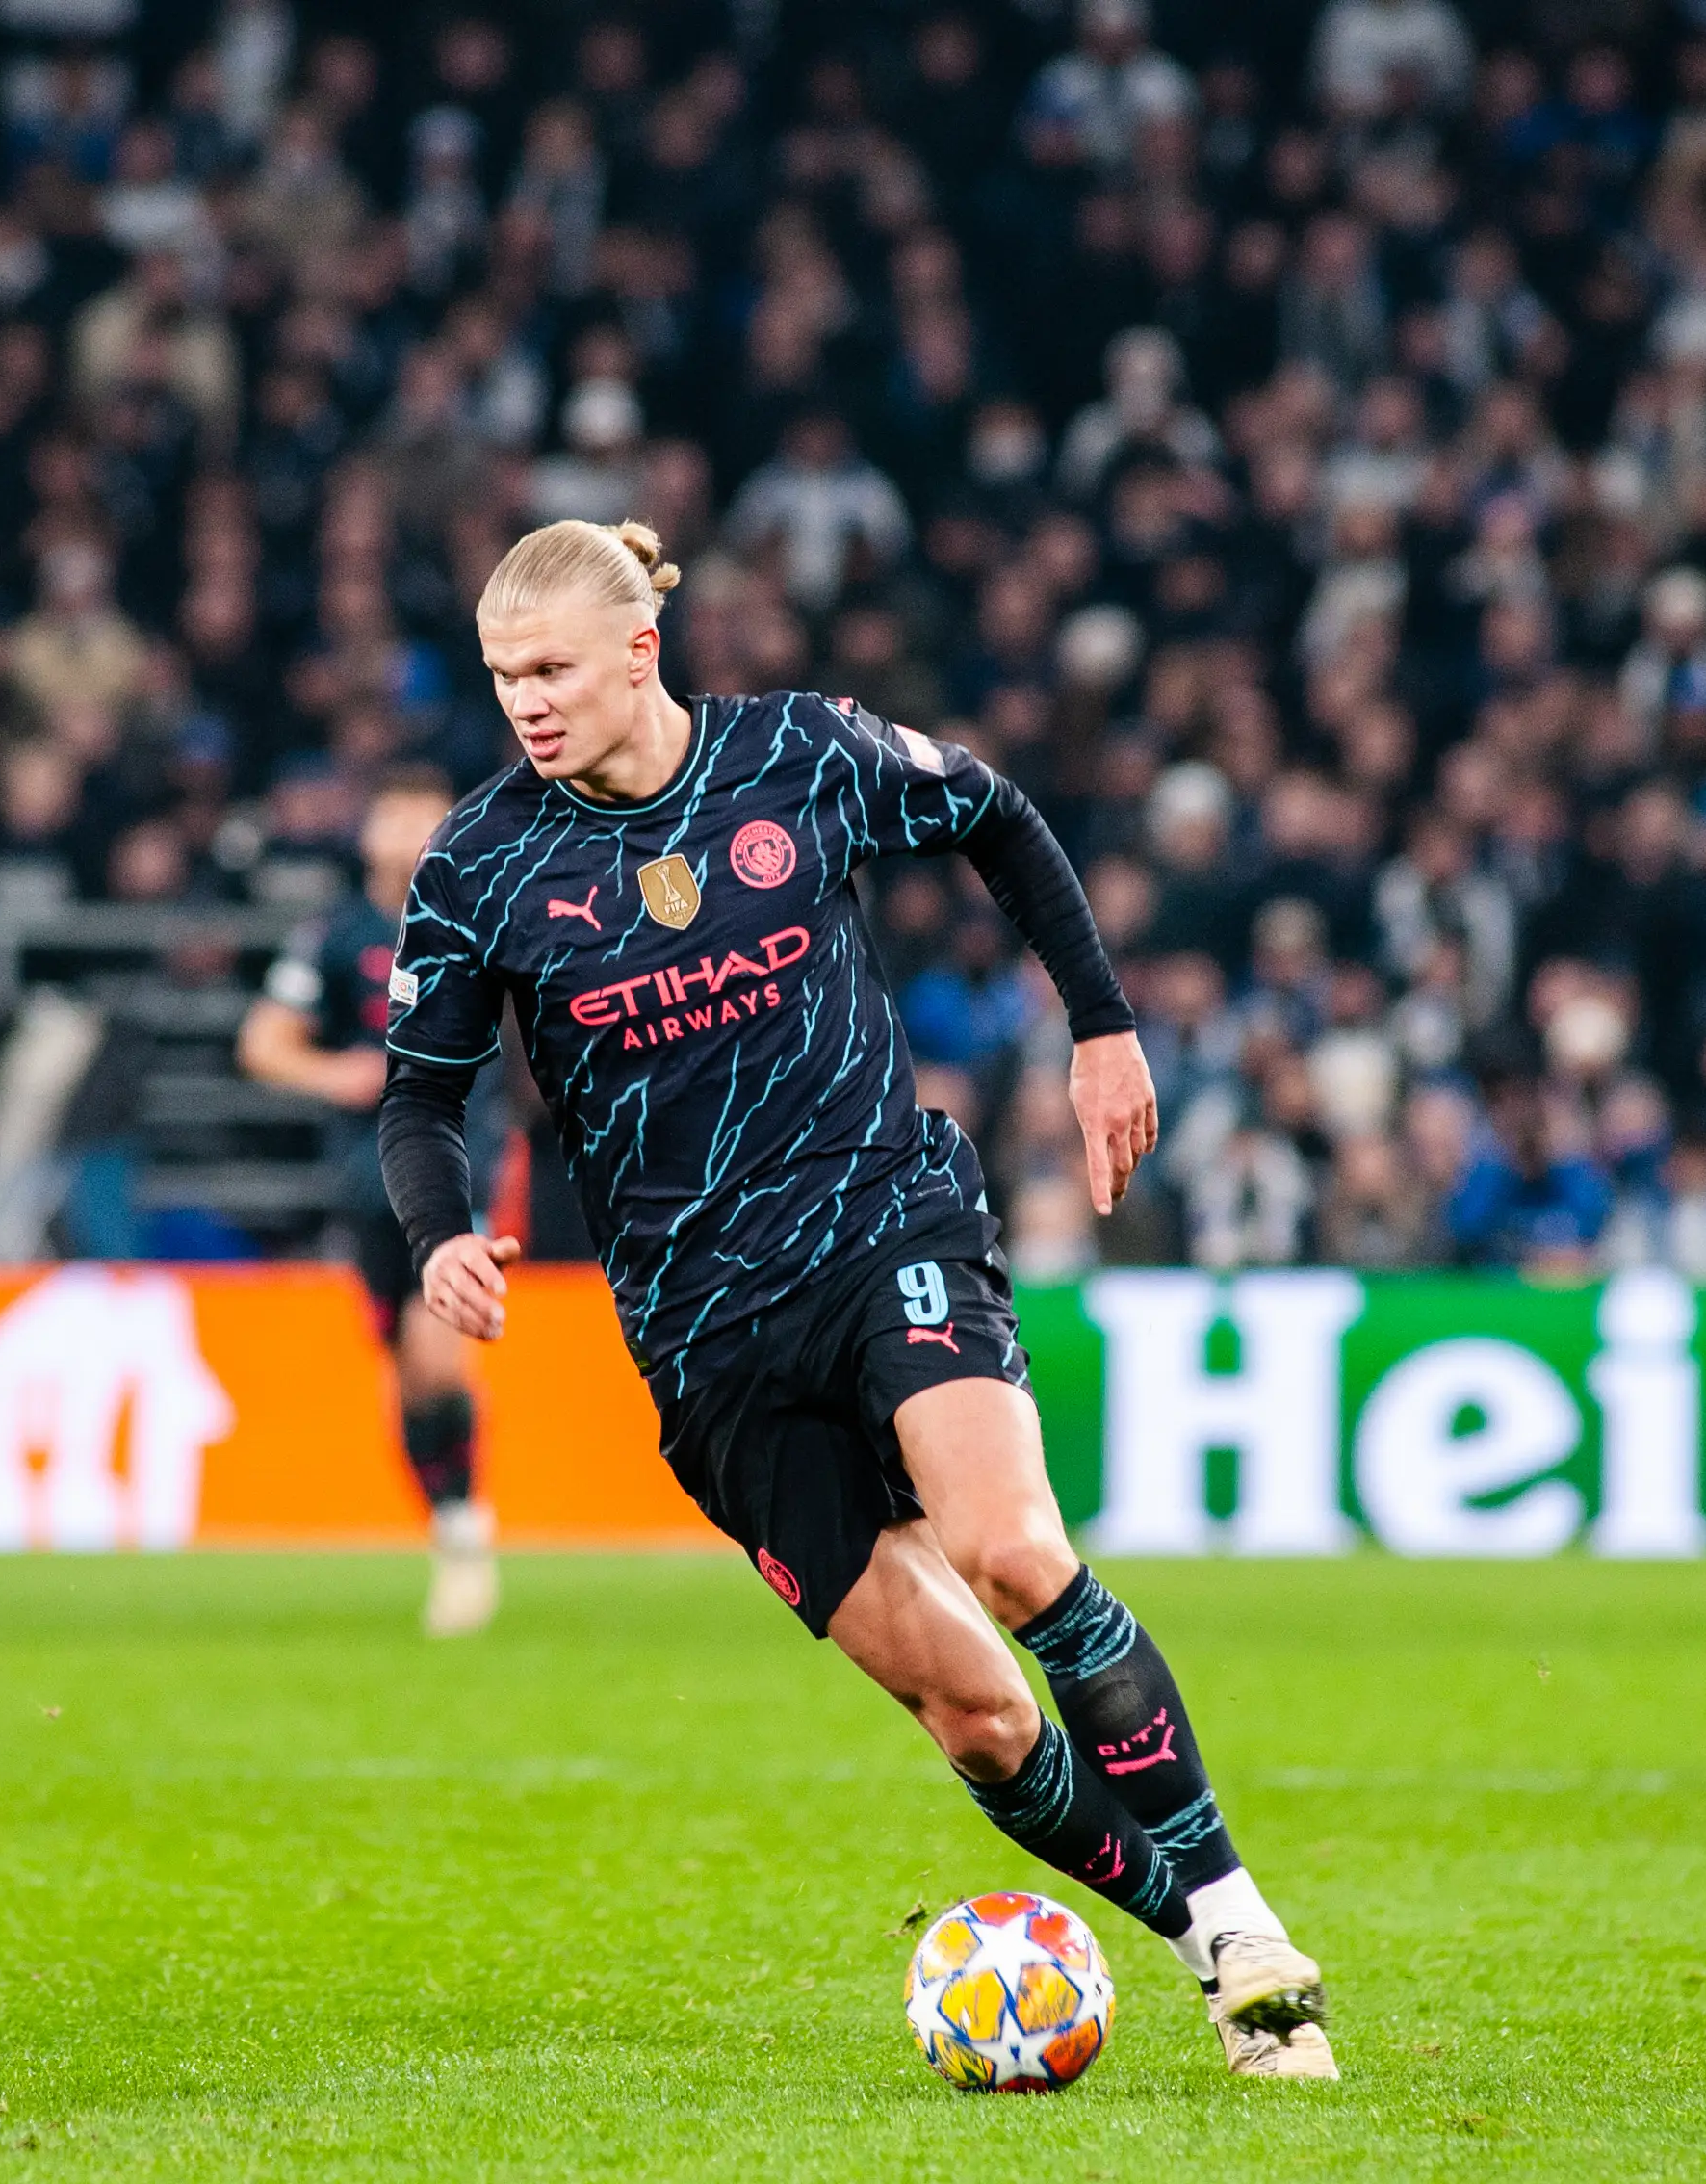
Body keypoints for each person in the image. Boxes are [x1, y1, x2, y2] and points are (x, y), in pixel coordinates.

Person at [377, 519, 1333, 2079]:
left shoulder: (800, 754)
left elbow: (996, 815)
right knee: (972, 1713)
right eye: (500, 678)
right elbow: (420, 1099)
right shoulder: (481, 863)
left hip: (879, 1220)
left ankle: (1242, 1922)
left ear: (638, 650)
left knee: (1012, 1550)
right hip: (703, 1339)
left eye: (548, 667)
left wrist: (1100, 1026)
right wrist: (436, 1232)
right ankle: (1199, 1948)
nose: (524, 703)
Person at [238, 768, 501, 1636]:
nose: (408, 834)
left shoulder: (485, 917)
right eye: (394, 819)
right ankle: (449, 1522)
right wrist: (334, 1074)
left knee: (438, 1353)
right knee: (403, 1374)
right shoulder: (333, 936)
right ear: (369, 837)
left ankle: (467, 1523)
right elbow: (264, 1044)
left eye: (425, 818)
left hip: (463, 1172)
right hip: (366, 1181)